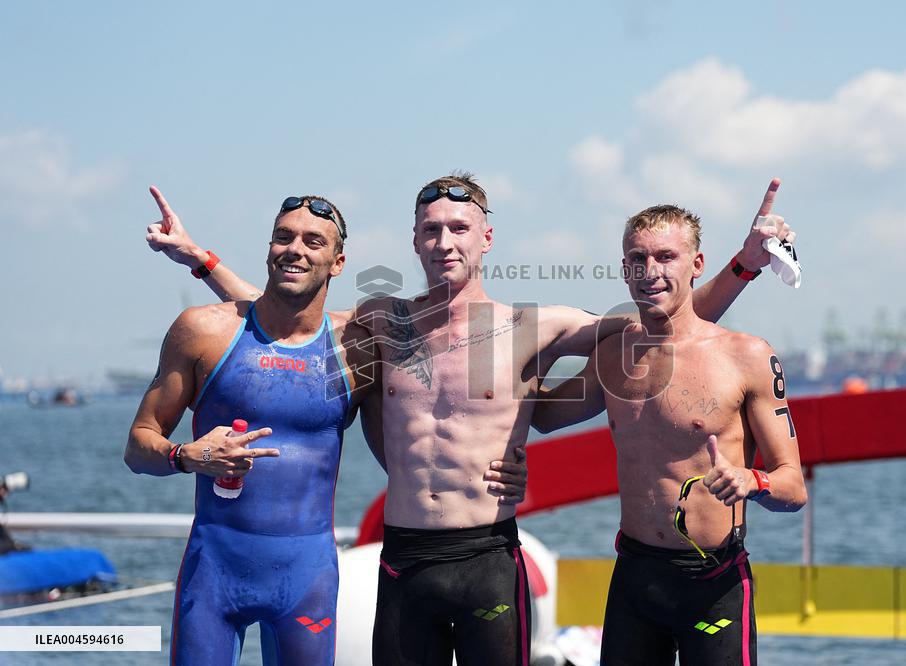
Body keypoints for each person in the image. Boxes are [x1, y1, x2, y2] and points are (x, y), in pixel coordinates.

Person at [148, 173, 794, 665]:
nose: (444, 241)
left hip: (487, 555)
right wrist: (200, 261)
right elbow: (278, 317)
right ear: (415, 241)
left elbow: (670, 321)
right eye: (432, 229)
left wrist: (745, 263)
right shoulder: (383, 322)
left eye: (459, 228)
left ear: (486, 238)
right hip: (404, 559)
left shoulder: (532, 326)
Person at [126, 191, 525, 665]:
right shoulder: (201, 332)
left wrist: (499, 468)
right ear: (268, 248)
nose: (295, 249)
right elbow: (138, 445)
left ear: (337, 263)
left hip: (306, 579)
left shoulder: (357, 348)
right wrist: (186, 455)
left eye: (313, 241)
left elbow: (438, 414)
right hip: (213, 574)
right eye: (283, 237)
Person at [531, 200, 808, 665]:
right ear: (624, 270)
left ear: (697, 264)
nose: (650, 271)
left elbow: (793, 487)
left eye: (665, 257)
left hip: (713, 581)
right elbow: (542, 414)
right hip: (636, 577)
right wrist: (530, 340)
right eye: (637, 259)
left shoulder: (748, 357)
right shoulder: (614, 357)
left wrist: (752, 481)